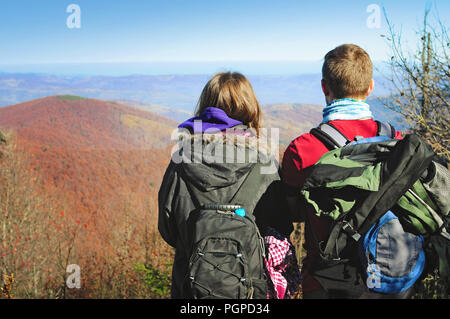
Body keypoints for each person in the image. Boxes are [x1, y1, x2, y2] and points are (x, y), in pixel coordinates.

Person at [281, 44, 410, 299]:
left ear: (324, 87)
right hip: (391, 276)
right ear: (370, 87)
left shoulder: (302, 149)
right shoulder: (396, 140)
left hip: (327, 282)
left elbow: (293, 213)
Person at [158, 72, 293, 299]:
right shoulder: (265, 164)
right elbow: (279, 231)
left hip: (190, 289)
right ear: (250, 108)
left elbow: (168, 229)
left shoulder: (181, 161)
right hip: (250, 290)